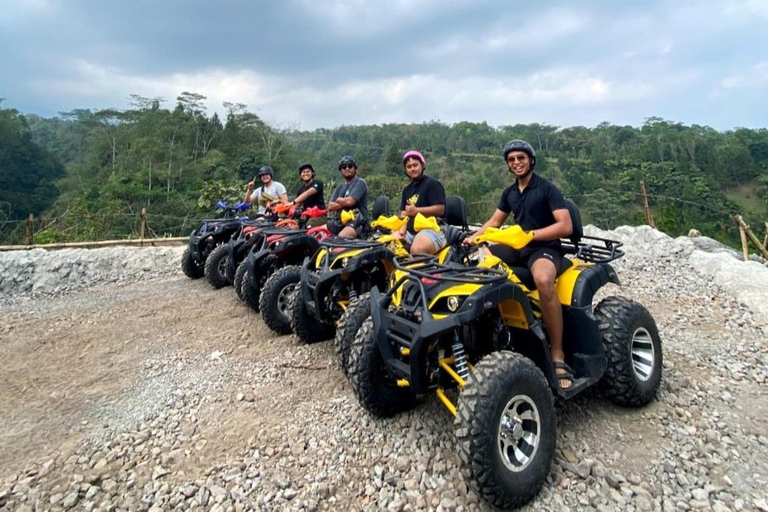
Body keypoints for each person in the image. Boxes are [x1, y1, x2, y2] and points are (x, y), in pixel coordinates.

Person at [467, 140, 574, 389]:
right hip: (519, 247)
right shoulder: (510, 193)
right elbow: (495, 220)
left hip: (544, 248)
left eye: (521, 158)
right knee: (479, 261)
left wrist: (532, 235)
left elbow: (565, 225)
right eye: (512, 159)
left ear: (531, 160)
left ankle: (557, 354)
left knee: (544, 280)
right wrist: (475, 237)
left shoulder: (547, 188)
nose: (516, 162)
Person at [392, 150, 447, 254]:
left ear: (422, 165)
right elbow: (404, 216)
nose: (412, 169)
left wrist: (416, 211)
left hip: (432, 229)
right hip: (411, 231)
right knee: (386, 244)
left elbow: (440, 209)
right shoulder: (407, 190)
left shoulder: (432, 184)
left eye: (415, 165)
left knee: (417, 249)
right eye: (409, 167)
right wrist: (401, 232)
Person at [327, 155, 368, 238]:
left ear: (355, 168)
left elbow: (350, 202)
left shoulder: (360, 183)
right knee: (318, 233)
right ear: (341, 171)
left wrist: (338, 200)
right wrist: (344, 202)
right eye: (344, 167)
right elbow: (330, 206)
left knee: (341, 238)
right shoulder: (340, 187)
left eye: (350, 166)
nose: (347, 169)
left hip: (356, 220)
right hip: (339, 221)